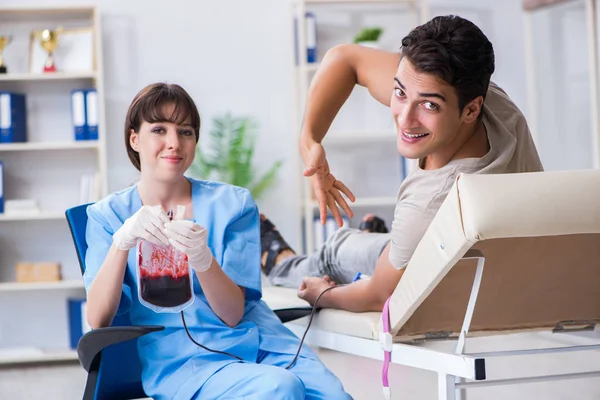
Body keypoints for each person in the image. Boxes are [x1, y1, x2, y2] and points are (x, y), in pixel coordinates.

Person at [83, 83, 352, 400]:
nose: (174, 143)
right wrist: (122, 243)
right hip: (185, 359)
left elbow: (233, 313)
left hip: (263, 341)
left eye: (185, 132)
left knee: (334, 396)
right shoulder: (107, 216)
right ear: (134, 138)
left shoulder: (233, 204)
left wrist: (203, 259)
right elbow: (98, 319)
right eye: (159, 129)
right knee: (279, 389)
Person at [261, 15, 544, 312]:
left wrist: (322, 294)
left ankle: (280, 261)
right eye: (399, 92)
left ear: (471, 109)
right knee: (380, 247)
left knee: (335, 251)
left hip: (448, 288)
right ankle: (376, 244)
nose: (404, 119)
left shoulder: (431, 202)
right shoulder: (491, 101)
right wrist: (310, 143)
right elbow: (346, 59)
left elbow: (377, 296)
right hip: (490, 271)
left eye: (429, 105)